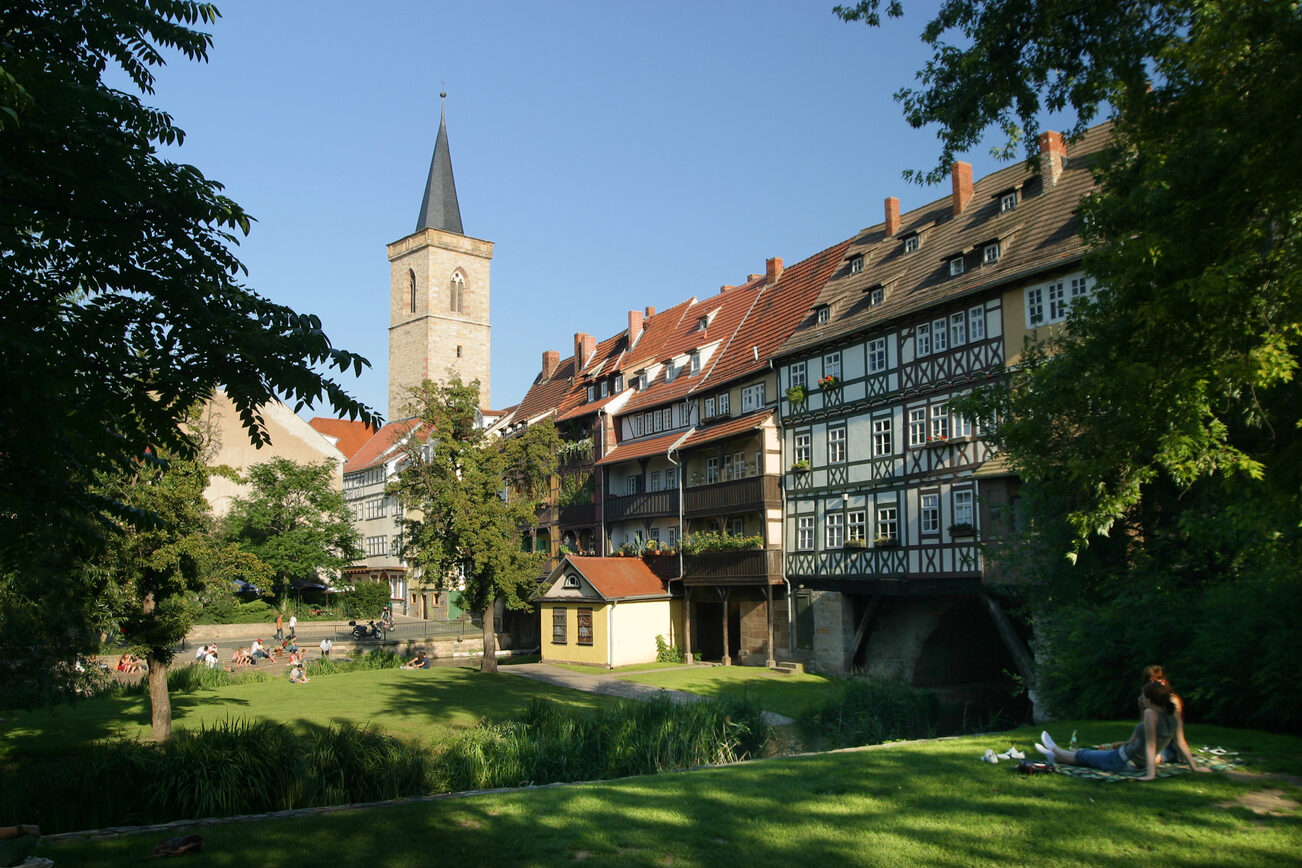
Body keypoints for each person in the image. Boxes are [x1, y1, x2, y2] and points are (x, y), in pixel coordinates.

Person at [1037, 682, 1209, 780]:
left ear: (1149, 699)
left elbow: (1150, 745)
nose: (1140, 699)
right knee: (1084, 756)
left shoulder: (1151, 714)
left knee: (1083, 755)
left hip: (1122, 760)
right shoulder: (1172, 713)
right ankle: (1055, 756)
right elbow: (1181, 743)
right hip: (1130, 758)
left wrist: (1150, 775)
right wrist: (1194, 768)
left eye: (1142, 696)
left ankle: (1053, 749)